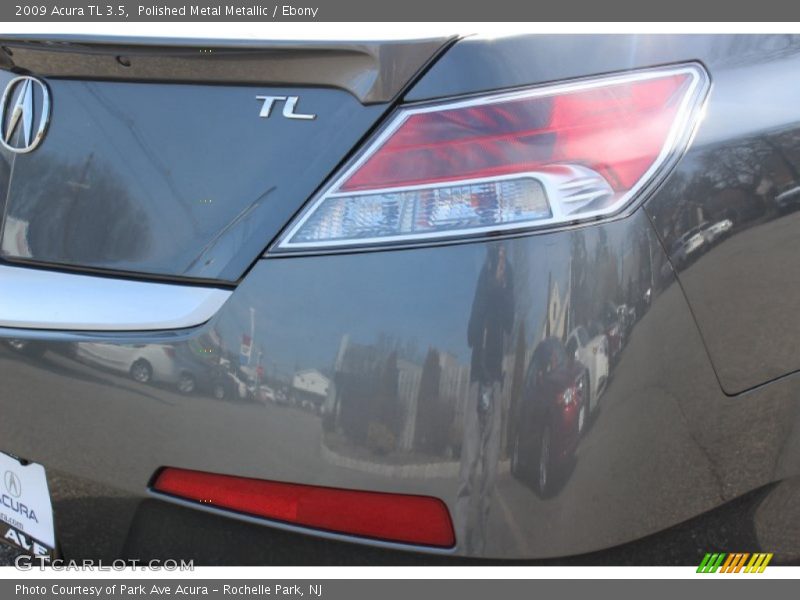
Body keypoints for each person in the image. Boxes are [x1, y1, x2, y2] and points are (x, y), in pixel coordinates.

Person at [456, 243, 514, 553]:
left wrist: (503, 287)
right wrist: (489, 288)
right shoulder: (483, 276)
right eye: (496, 251)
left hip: (497, 384)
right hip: (477, 381)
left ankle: (479, 546)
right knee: (468, 470)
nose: (499, 257)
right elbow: (470, 334)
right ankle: (460, 546)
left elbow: (509, 322)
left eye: (503, 251)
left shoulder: (510, 278)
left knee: (490, 472)